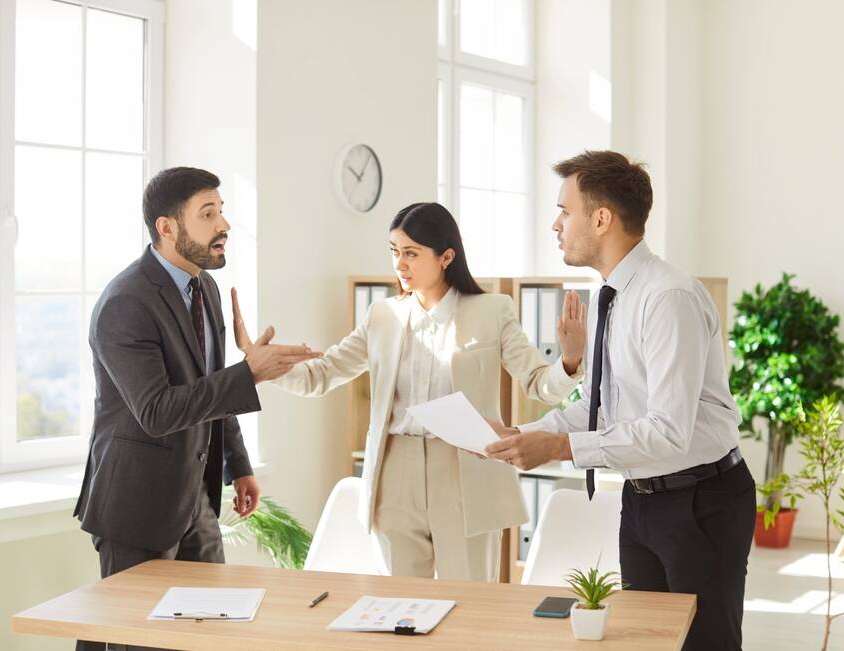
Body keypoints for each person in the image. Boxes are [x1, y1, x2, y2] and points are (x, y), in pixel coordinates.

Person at [485, 151, 755, 651]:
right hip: (642, 499)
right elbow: (599, 406)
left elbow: (668, 429)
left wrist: (560, 449)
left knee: (705, 644)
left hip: (703, 501)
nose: (555, 224)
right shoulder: (610, 298)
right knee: (641, 641)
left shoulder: (667, 298)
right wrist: (521, 435)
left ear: (602, 218)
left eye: (565, 210)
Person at [233, 202, 585, 581]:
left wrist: (569, 360)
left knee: (468, 601)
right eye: (395, 252)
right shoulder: (382, 316)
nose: (400, 264)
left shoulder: (492, 310)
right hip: (394, 472)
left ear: (446, 256)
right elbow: (323, 374)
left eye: (412, 254)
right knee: (400, 606)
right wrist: (261, 365)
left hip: (465, 468)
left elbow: (539, 383)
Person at [74, 167, 319, 651]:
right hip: (136, 507)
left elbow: (209, 388)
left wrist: (239, 465)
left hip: (196, 502)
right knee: (135, 642)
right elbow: (157, 411)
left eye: (222, 210)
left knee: (210, 635)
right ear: (167, 227)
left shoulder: (203, 288)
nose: (223, 223)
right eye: (208, 214)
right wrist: (248, 373)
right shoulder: (125, 303)